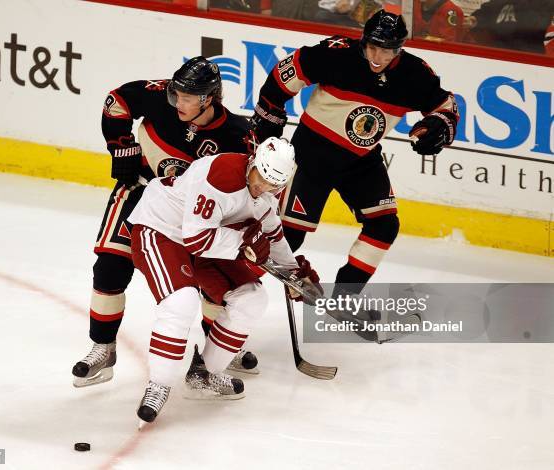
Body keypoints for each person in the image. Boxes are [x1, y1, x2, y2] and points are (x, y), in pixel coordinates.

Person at [72, 57, 259, 388]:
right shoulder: (160, 97)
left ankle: (214, 356)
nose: (178, 103)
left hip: (197, 214)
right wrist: (121, 147)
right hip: (141, 191)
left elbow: (248, 187)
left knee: (212, 284)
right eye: (177, 94)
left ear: (210, 98)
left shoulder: (237, 136)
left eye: (189, 98)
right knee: (109, 267)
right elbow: (117, 101)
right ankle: (103, 347)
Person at [248, 10, 459, 300]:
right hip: (313, 155)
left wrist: (438, 125)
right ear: (363, 40)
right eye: (373, 47)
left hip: (361, 160)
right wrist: (270, 109)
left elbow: (446, 105)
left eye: (386, 51)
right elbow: (290, 69)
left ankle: (345, 297)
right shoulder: (337, 54)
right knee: (289, 236)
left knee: (385, 225)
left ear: (399, 49)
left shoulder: (415, 74)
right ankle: (230, 282)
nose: (378, 57)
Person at [127, 137, 321, 424]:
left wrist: (294, 274)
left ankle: (203, 374)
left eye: (273, 186)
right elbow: (195, 238)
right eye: (260, 179)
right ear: (253, 162)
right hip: (163, 229)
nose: (262, 189)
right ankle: (159, 385)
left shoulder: (268, 190)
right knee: (182, 301)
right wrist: (245, 244)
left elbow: (272, 234)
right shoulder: (223, 174)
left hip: (210, 240)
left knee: (252, 299)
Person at [464, 0, 552, 54]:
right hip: (496, 54)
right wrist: (475, 19)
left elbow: (534, 25)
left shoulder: (545, 3)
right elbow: (487, 11)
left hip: (527, 58)